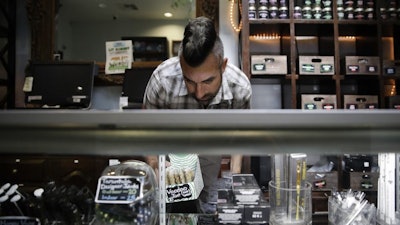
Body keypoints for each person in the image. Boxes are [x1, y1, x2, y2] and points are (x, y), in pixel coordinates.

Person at [143, 16, 252, 214]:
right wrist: (154, 163)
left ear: (224, 66)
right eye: (190, 81)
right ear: (180, 65)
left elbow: (239, 134)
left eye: (208, 81)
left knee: (206, 210)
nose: (199, 93)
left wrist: (233, 178)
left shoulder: (239, 87)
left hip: (210, 155)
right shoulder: (162, 80)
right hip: (170, 157)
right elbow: (147, 129)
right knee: (172, 213)